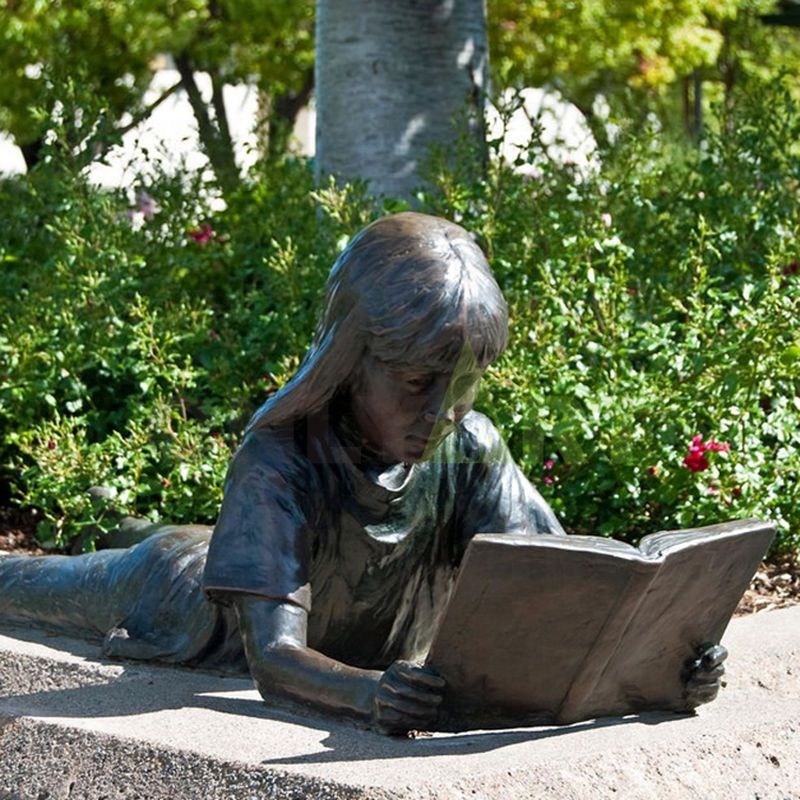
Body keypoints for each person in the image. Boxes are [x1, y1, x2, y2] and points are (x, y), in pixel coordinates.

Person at [0, 212, 726, 734]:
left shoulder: (469, 446)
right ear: (350, 361)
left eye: (464, 383)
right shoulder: (279, 460)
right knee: (36, 581)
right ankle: (121, 535)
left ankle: (120, 519)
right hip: (180, 593)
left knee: (148, 532)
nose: (441, 411)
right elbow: (278, 660)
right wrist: (367, 695)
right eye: (416, 383)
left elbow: (570, 585)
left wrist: (667, 665)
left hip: (268, 570)